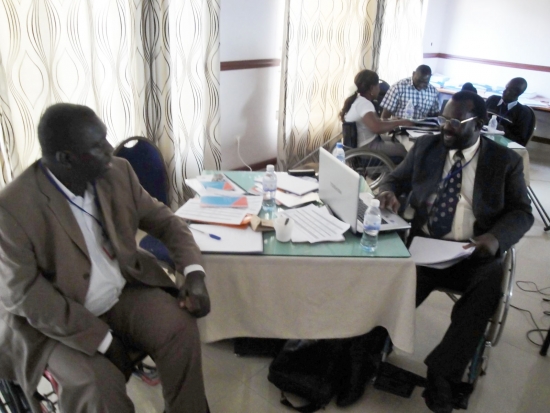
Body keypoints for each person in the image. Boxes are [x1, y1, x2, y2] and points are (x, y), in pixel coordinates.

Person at [0, 103, 211, 413]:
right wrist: (102, 340)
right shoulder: (12, 208)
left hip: (120, 293)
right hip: (56, 319)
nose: (110, 149)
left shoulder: (118, 173)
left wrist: (193, 273)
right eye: (98, 146)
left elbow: (166, 222)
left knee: (180, 328)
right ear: (66, 159)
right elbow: (27, 296)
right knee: (99, 385)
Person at [377, 92, 533, 413]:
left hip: (473, 252)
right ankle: (366, 350)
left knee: (488, 286)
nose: (446, 128)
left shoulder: (505, 162)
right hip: (425, 246)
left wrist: (494, 237)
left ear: (478, 123)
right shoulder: (426, 147)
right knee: (389, 284)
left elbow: (522, 212)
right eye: (443, 119)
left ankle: (443, 372)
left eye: (455, 122)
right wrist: (388, 191)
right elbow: (394, 177)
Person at [340, 69, 413, 159]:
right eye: (378, 85)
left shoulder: (358, 100)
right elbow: (377, 128)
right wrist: (400, 122)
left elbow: (375, 121)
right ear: (371, 88)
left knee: (399, 141)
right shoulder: (364, 104)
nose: (379, 89)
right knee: (407, 149)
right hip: (367, 147)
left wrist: (392, 120)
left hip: (363, 143)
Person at [485, 77, 534, 146]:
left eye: (509, 90)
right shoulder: (492, 100)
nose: (504, 91)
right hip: (483, 139)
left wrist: (503, 131)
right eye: (506, 88)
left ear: (517, 93)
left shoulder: (523, 113)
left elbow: (520, 141)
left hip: (501, 147)